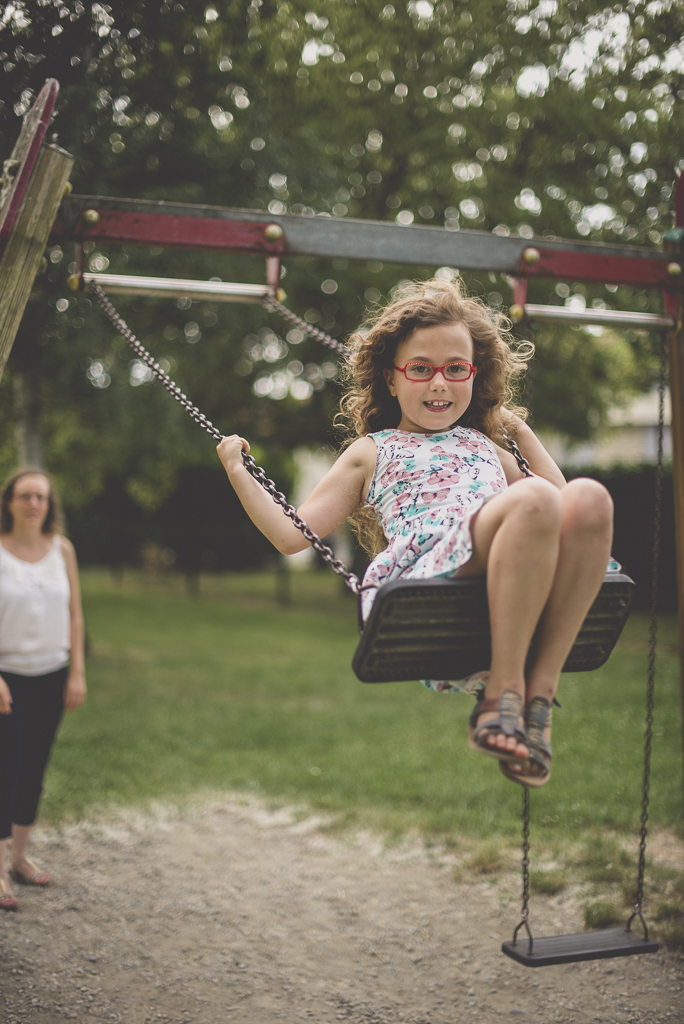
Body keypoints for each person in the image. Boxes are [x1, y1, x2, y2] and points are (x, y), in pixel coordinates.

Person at [216, 278, 613, 789]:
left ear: (476, 374)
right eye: (421, 369)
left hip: (504, 551)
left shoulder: (487, 444)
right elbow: (294, 536)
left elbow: (571, 515)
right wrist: (237, 469)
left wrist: (519, 432)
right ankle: (501, 697)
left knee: (592, 498)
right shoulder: (373, 450)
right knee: (534, 499)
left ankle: (537, 702)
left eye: (456, 369)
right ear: (391, 378)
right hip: (429, 567)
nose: (440, 384)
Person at [0, 467, 86, 911]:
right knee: (4, 771)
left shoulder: (62, 550)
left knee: (33, 769)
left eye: (41, 497)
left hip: (52, 674)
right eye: (25, 495)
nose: (34, 504)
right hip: (6, 679)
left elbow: (74, 613)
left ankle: (19, 859)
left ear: (50, 505)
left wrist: (76, 672)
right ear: (9, 501)